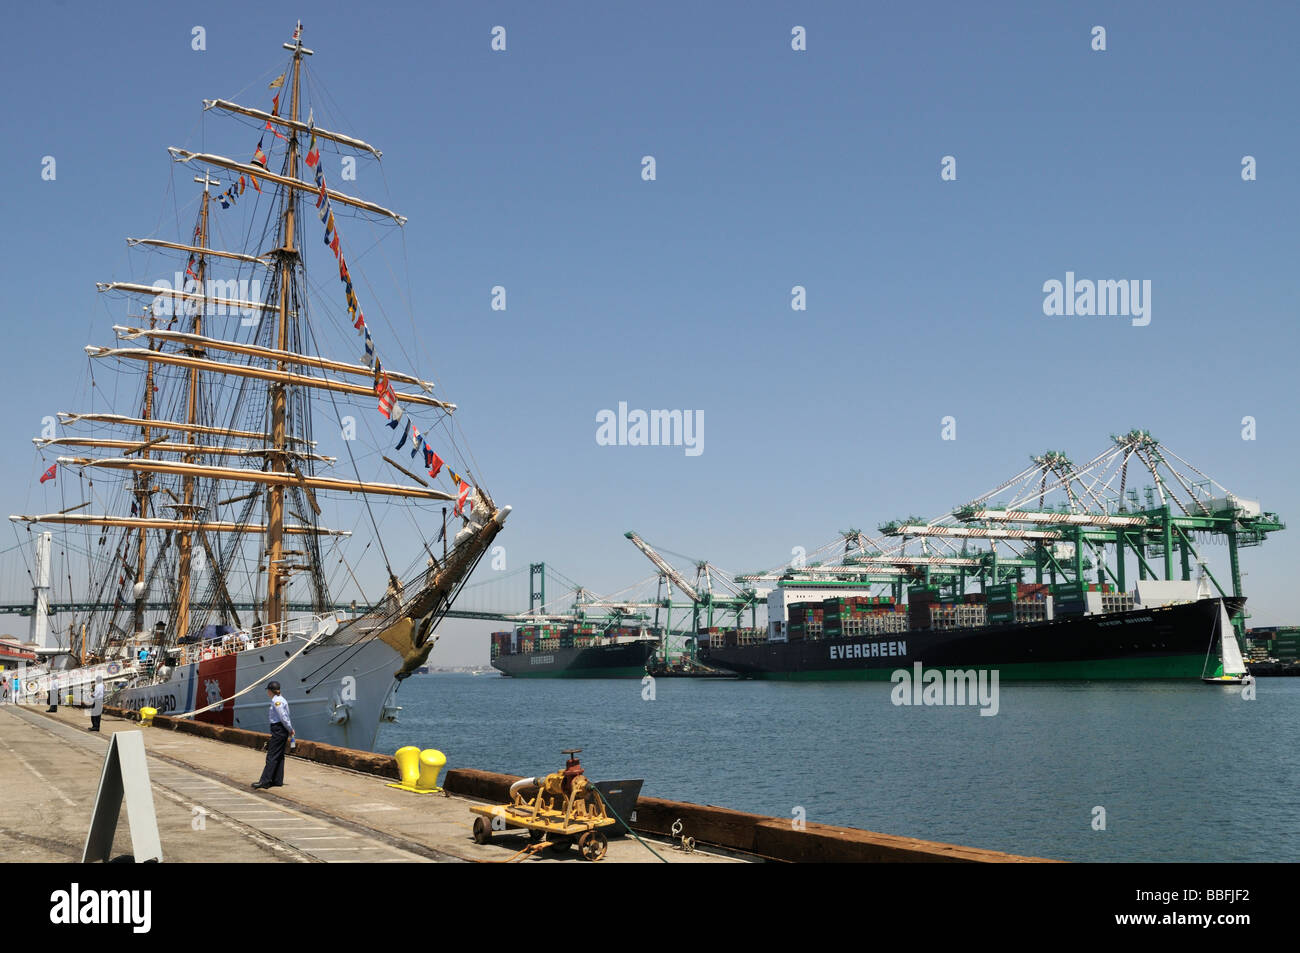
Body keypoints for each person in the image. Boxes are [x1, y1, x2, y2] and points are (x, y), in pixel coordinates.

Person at [252, 681, 294, 789]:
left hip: (279, 729)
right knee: (279, 755)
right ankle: (277, 780)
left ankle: (265, 781)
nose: (267, 693)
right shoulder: (281, 699)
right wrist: (289, 729)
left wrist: (290, 729)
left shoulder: (277, 701)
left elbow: (283, 717)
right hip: (281, 730)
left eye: (268, 691)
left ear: (271, 691)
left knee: (271, 756)